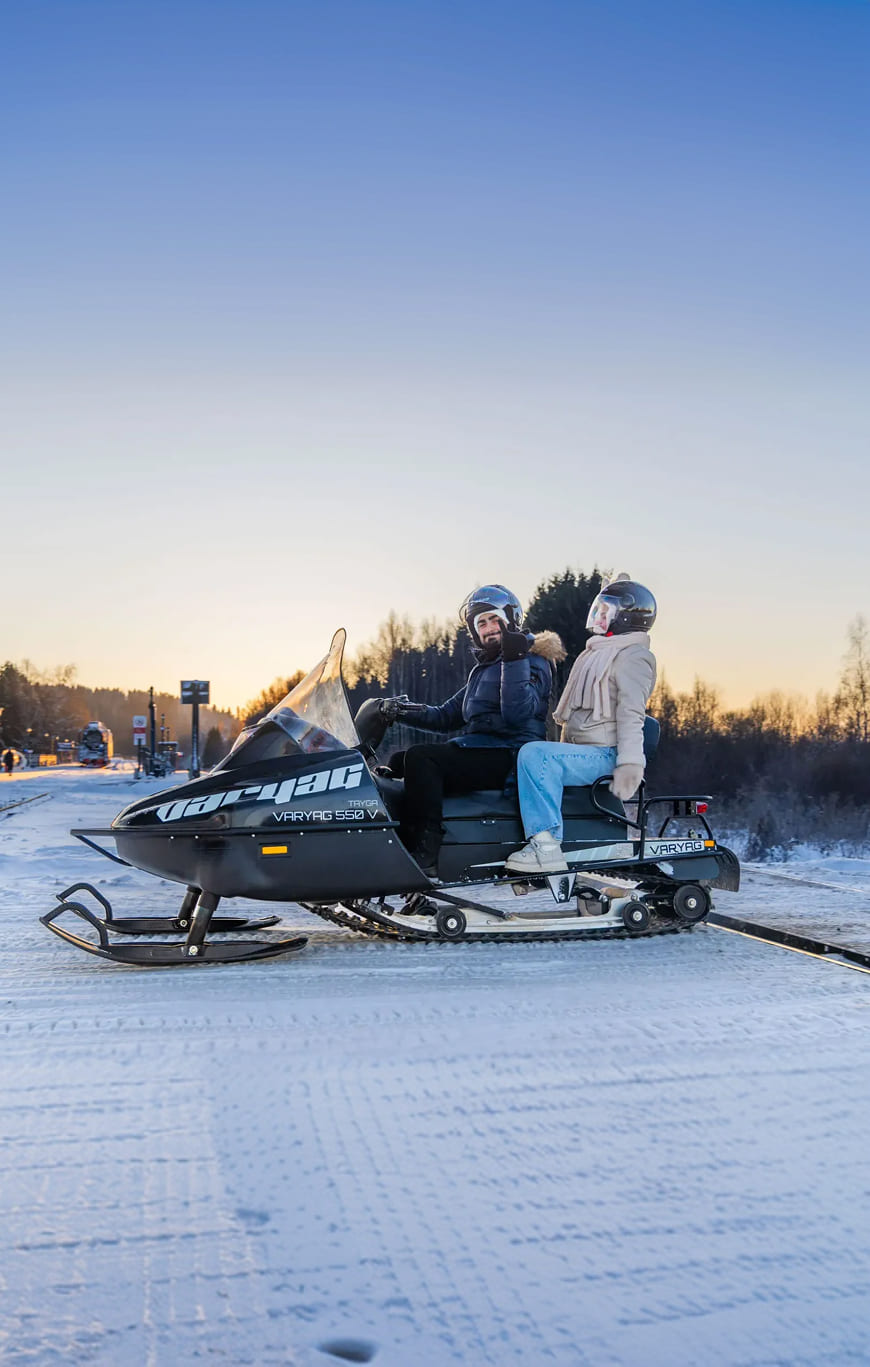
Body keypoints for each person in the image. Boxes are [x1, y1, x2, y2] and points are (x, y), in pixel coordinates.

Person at [383, 585, 565, 875]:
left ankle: (427, 852)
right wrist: (398, 711)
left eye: (495, 620)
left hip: (513, 755)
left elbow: (518, 714)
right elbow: (446, 716)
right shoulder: (485, 668)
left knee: (422, 758)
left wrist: (514, 658)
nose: (488, 628)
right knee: (400, 761)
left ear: (512, 620)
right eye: (481, 623)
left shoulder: (533, 660)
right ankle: (397, 839)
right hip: (483, 748)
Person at [505, 574, 657, 875]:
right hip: (585, 751)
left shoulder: (634, 657)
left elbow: (632, 713)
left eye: (605, 611)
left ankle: (546, 848)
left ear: (625, 618)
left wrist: (630, 763)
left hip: (607, 754)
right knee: (526, 754)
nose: (598, 615)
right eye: (598, 609)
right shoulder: (598, 652)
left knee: (536, 755)